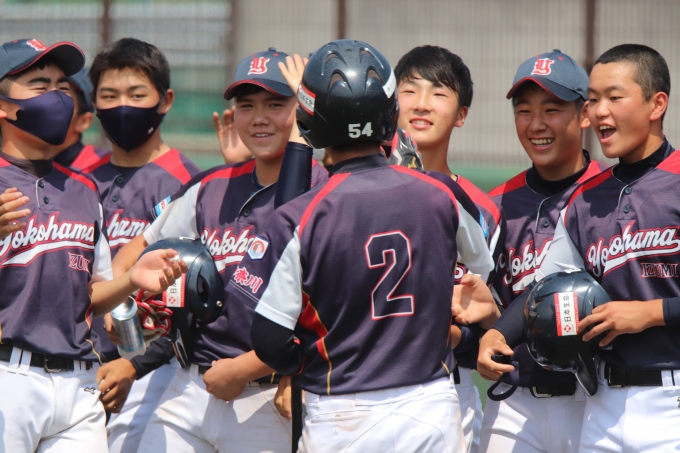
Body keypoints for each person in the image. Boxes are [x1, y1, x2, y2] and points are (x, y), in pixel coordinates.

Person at [230, 39, 498, 453]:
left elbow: (267, 338)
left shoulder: (301, 214)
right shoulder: (440, 193)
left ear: (310, 119)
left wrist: (309, 361)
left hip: (342, 410)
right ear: (389, 114)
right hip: (431, 404)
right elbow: (480, 269)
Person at [109, 47, 328, 452]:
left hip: (265, 397)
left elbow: (333, 307)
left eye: (275, 104)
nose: (258, 117)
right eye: (246, 105)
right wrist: (122, 306)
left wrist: (252, 369)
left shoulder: (325, 189)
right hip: (189, 386)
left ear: (303, 109)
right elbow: (133, 254)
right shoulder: (212, 186)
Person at [0, 38, 185, 452]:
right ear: (4, 107)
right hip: (9, 377)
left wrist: (130, 280)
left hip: (79, 385)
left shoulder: (83, 190)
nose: (56, 96)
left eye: (61, 86)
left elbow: (91, 295)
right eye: (39, 85)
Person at [513, 43, 676, 453]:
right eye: (593, 99)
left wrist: (650, 313)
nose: (600, 111)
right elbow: (544, 290)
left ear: (657, 104)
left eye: (614, 98)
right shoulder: (585, 199)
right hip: (602, 407)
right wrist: (497, 334)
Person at [475, 49, 608, 453]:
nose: (536, 124)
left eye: (551, 109)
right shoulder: (494, 204)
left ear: (584, 114)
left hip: (594, 397)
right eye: (524, 110)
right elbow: (489, 311)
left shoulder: (610, 196)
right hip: (514, 401)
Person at [77, 37, 201, 453]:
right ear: (94, 103)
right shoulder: (76, 181)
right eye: (109, 96)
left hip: (152, 372)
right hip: (76, 364)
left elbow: (193, 299)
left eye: (136, 94)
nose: (122, 106)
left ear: (165, 100)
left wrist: (135, 364)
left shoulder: (191, 183)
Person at [394, 45, 504, 453]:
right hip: (357, 385)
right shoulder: (357, 187)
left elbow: (487, 320)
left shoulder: (483, 208)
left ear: (461, 114)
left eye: (438, 93)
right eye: (410, 90)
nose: (422, 103)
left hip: (447, 387)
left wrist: (453, 334)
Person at [51, 67, 109, 170]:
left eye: (59, 99)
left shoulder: (103, 170)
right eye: (40, 88)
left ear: (83, 122)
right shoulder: (22, 167)